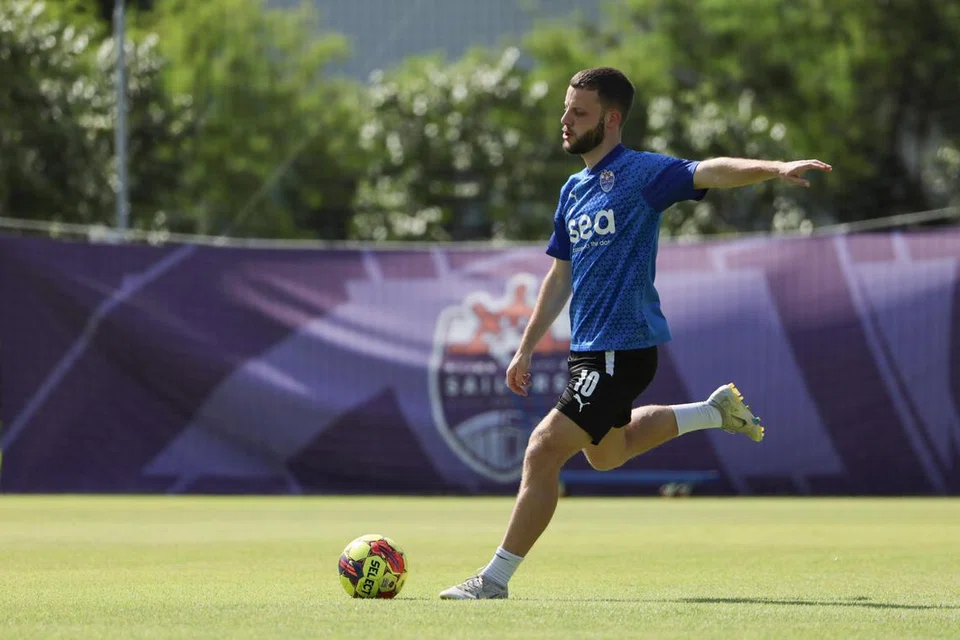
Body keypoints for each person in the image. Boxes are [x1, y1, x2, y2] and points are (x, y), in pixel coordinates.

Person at [439, 67, 831, 600]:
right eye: (565, 109)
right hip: (589, 351)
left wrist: (774, 167)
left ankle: (493, 580)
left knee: (542, 450)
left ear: (612, 118)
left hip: (623, 349)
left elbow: (709, 172)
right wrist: (526, 346)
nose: (566, 120)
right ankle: (714, 411)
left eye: (579, 112)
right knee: (609, 452)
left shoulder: (642, 173)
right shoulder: (573, 189)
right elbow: (560, 276)